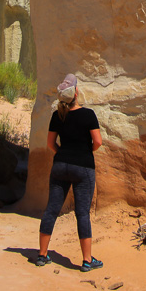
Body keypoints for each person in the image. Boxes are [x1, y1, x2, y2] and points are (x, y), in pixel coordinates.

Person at [36, 73, 103, 271]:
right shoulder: (88, 115)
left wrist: (63, 154)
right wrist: (84, 153)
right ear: (76, 92)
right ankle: (87, 260)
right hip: (83, 167)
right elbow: (98, 142)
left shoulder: (57, 115)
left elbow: (50, 143)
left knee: (51, 210)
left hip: (60, 166)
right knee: (82, 214)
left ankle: (42, 255)